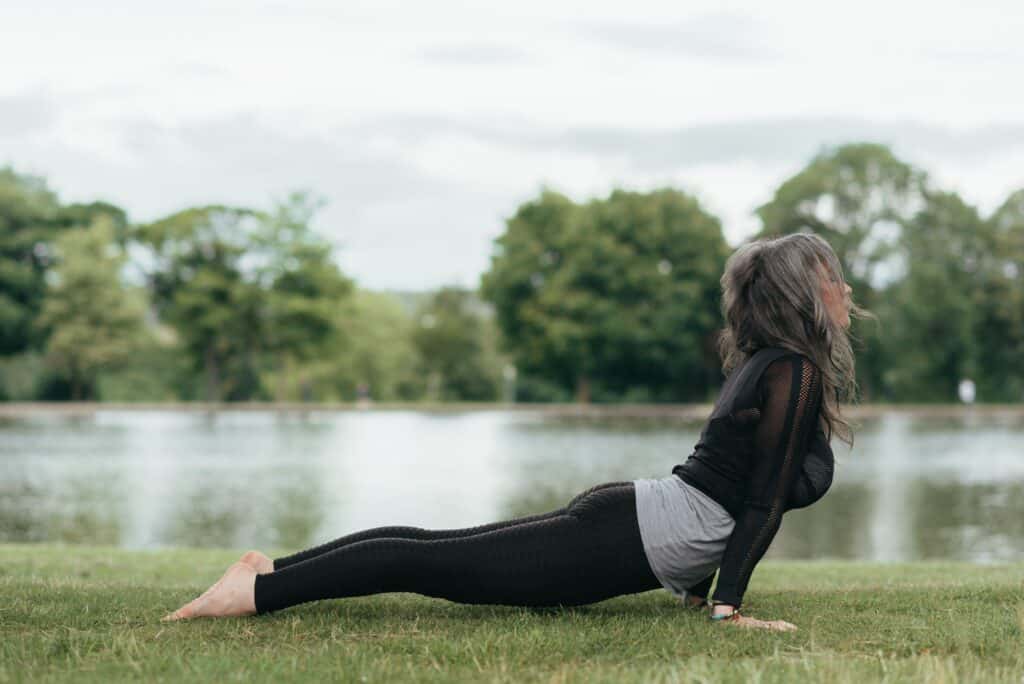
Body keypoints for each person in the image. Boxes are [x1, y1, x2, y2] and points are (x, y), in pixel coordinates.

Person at [164, 233, 863, 631]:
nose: (847, 291)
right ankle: (257, 591)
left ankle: (268, 573)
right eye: (834, 279)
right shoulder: (790, 371)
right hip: (630, 531)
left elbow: (729, 485)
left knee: (430, 550)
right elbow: (760, 500)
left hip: (635, 521)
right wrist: (726, 608)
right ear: (806, 293)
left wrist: (694, 584)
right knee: (429, 561)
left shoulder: (774, 366)